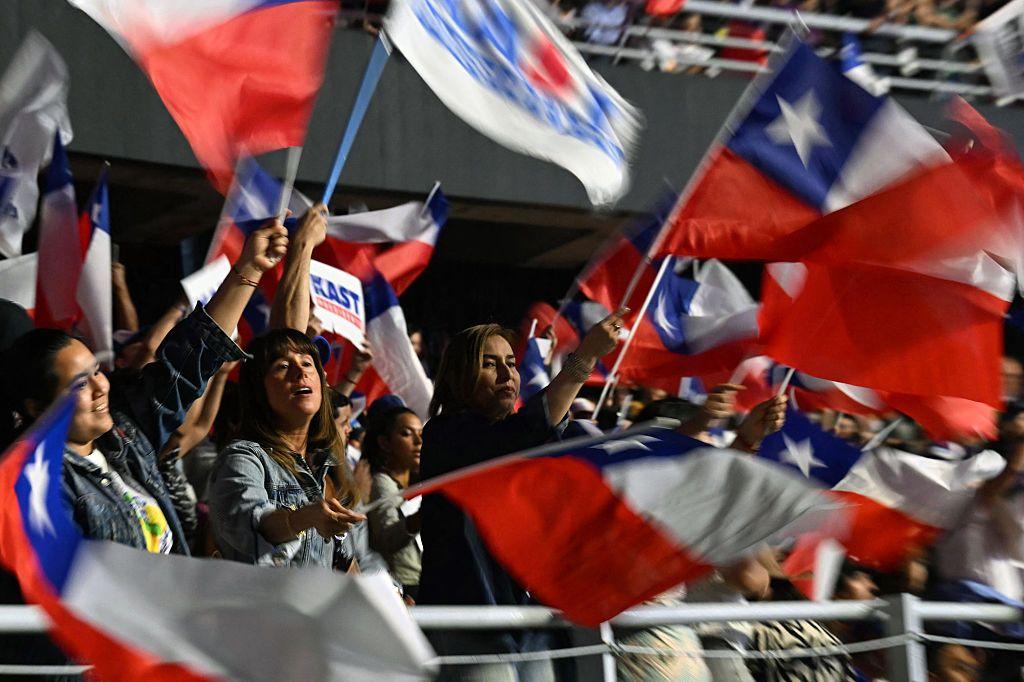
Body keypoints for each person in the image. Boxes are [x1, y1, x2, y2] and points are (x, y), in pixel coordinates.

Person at [0, 221, 286, 555]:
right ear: (35, 407)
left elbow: (193, 356)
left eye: (96, 371)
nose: (100, 387)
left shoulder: (124, 435)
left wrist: (250, 268)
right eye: (79, 383)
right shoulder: (33, 486)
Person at [418, 309, 625, 681]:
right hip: (469, 622)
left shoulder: (524, 438)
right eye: (490, 364)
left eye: (511, 363)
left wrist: (696, 427)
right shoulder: (446, 435)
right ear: (459, 375)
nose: (506, 374)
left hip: (528, 620)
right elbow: (523, 433)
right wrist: (585, 359)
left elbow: (614, 457)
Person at [208, 204, 366, 569]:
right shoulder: (245, 459)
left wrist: (388, 595)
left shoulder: (326, 465)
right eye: (282, 367)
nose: (300, 372)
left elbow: (349, 563)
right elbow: (257, 524)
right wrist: (302, 249)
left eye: (309, 364)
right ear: (259, 391)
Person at [364, 400, 424, 602]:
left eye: (421, 434)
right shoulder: (382, 483)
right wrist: (421, 517)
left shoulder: (418, 482)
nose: (418, 442)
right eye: (407, 434)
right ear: (384, 443)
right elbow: (386, 538)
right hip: (403, 588)